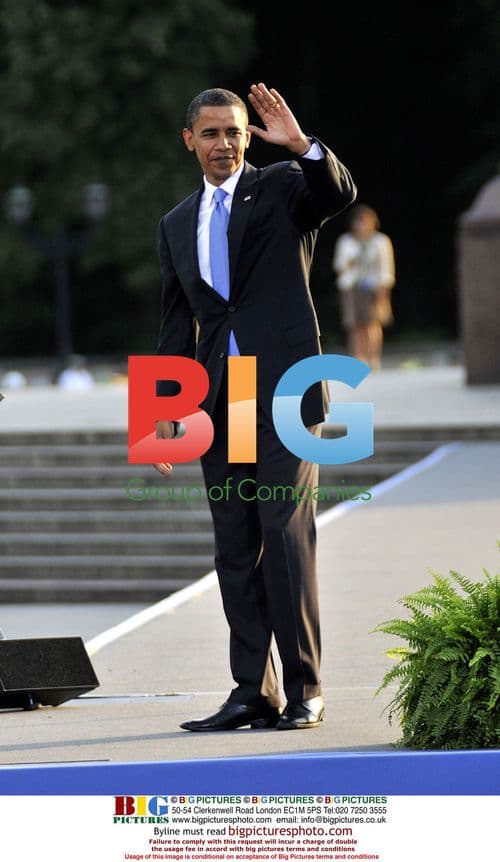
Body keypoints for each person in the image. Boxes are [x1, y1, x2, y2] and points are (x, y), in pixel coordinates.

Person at [154, 83, 356, 731]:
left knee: (285, 534)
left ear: (249, 137)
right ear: (190, 140)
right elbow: (174, 322)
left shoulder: (280, 188)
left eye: (235, 132)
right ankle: (251, 690)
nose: (224, 144)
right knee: (235, 547)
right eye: (210, 133)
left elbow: (337, 194)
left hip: (289, 386)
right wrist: (160, 417)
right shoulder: (175, 223)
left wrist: (301, 147)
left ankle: (305, 687)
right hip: (221, 396)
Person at [333, 204, 395, 369]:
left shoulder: (380, 241)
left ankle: (373, 357)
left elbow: (386, 266)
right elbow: (340, 265)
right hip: (351, 287)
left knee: (372, 323)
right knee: (353, 324)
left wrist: (384, 286)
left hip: (373, 287)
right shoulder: (346, 242)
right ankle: (357, 358)